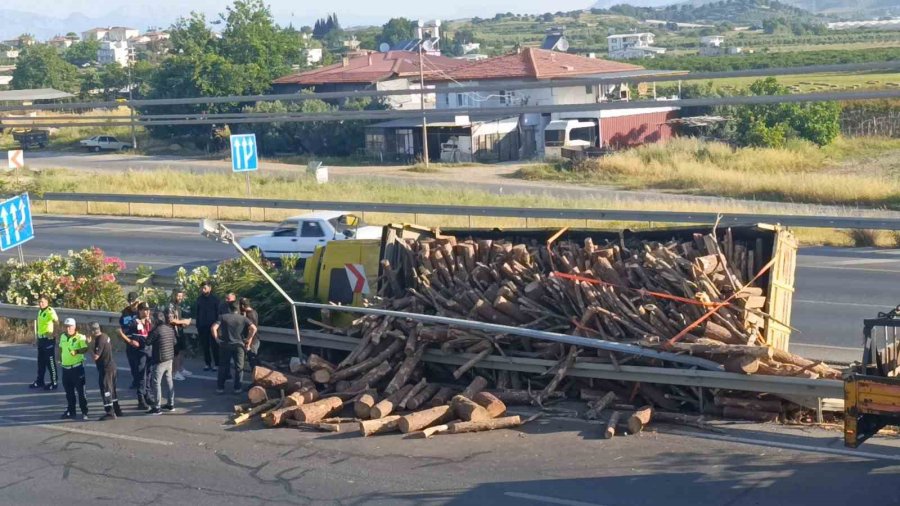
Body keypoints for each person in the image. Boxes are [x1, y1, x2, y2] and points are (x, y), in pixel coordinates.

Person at [211, 300, 257, 395]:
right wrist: (248, 339)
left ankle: (220, 388)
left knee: (223, 366)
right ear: (238, 308)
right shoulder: (243, 318)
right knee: (239, 367)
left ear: (229, 308)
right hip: (239, 345)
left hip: (225, 345)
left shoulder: (222, 317)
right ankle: (237, 388)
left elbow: (213, 328)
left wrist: (217, 339)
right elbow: (254, 328)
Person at [122, 302, 153, 410]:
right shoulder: (133, 323)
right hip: (139, 353)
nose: (147, 311)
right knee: (141, 376)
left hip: (149, 352)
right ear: (139, 311)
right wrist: (131, 342)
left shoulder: (150, 321)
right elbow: (127, 335)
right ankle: (141, 400)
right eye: (145, 309)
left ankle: (147, 395)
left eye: (148, 309)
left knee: (149, 374)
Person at [90, 322, 122, 421]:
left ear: (92, 331)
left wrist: (88, 345)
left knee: (106, 390)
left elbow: (96, 356)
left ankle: (110, 412)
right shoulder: (105, 336)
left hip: (106, 369)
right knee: (112, 389)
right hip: (112, 366)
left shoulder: (100, 340)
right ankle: (117, 409)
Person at [58, 318, 90, 420]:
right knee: (69, 392)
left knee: (81, 392)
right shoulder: (63, 336)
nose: (68, 329)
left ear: (74, 326)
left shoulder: (80, 337)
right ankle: (71, 411)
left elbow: (85, 348)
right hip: (65, 369)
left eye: (70, 326)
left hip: (76, 368)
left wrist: (76, 352)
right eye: (66, 326)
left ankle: (84, 411)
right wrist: (59, 357)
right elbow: (60, 348)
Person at [146, 311, 176, 415]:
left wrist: (149, 328)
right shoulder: (169, 329)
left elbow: (147, 342)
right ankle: (170, 404)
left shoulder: (156, 331)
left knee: (156, 383)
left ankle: (157, 407)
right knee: (169, 381)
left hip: (159, 360)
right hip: (169, 359)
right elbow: (174, 342)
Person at [31, 295, 59, 390]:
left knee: (50, 362)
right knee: (41, 362)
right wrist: (36, 339)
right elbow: (40, 327)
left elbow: (56, 322)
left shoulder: (50, 311)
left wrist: (54, 334)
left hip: (48, 340)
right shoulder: (40, 311)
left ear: (47, 302)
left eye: (42, 302)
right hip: (41, 339)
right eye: (39, 302)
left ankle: (54, 382)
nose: (40, 303)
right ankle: (40, 381)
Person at [194, 282, 220, 372]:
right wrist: (198, 325)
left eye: (205, 288)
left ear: (210, 288)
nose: (203, 289)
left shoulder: (215, 299)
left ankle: (217, 364)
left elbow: (218, 313)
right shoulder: (199, 299)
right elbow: (197, 313)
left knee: (214, 346)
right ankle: (207, 363)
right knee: (205, 346)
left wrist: (217, 325)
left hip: (213, 326)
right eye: (202, 288)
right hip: (202, 326)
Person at [167, 289, 192, 381]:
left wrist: (183, 324)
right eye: (178, 296)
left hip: (179, 331)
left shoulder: (178, 305)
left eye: (181, 296)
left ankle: (180, 369)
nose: (180, 298)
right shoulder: (171, 305)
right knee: (176, 353)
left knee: (181, 350)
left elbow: (178, 319)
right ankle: (174, 372)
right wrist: (183, 321)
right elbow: (171, 320)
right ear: (174, 295)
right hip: (172, 332)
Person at [117, 292, 141, 390]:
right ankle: (136, 381)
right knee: (132, 363)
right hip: (129, 341)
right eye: (130, 301)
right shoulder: (125, 312)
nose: (131, 303)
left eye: (133, 301)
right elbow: (122, 324)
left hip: (139, 341)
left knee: (141, 363)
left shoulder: (141, 311)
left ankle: (143, 382)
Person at [240, 298, 260, 372]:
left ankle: (256, 379)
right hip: (255, 339)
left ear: (242, 306)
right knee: (255, 360)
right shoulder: (254, 312)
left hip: (252, 341)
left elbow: (251, 330)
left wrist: (248, 342)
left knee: (253, 362)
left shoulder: (249, 315)